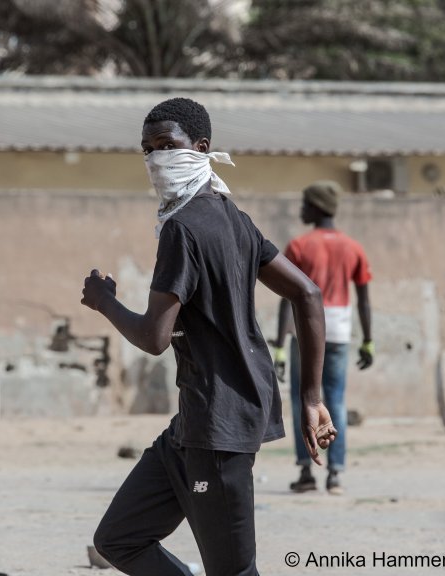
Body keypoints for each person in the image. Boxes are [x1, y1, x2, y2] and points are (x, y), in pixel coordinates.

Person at [83, 97, 335, 576]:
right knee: (118, 538)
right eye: (147, 149)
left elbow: (155, 337)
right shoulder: (231, 216)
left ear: (201, 148)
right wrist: (310, 395)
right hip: (194, 422)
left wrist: (104, 302)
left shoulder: (183, 229)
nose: (156, 158)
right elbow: (306, 293)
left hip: (220, 428)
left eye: (167, 145)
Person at [272, 180, 374, 495]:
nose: (301, 210)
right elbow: (364, 299)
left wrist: (280, 346)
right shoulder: (353, 247)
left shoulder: (300, 246)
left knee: (302, 399)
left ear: (317, 207)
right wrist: (368, 340)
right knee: (336, 399)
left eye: (304, 204)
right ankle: (335, 474)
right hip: (340, 332)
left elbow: (287, 298)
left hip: (305, 332)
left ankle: (306, 471)